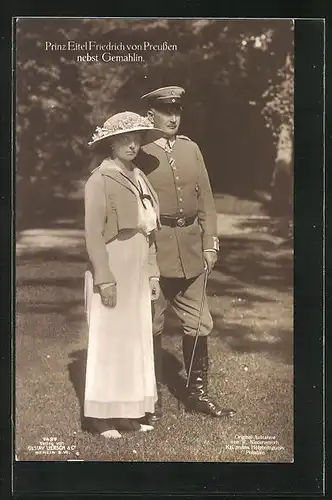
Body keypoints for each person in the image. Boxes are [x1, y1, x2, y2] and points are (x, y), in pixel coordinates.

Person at [135, 86, 236, 421]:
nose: (173, 117)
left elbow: (206, 199)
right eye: (166, 111)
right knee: (152, 325)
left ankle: (198, 394)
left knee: (199, 323)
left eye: (177, 110)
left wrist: (211, 243)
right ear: (151, 116)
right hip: (156, 252)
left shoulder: (191, 149)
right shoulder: (141, 152)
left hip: (192, 252)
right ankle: (150, 399)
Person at [84, 111, 164, 438]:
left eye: (136, 139)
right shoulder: (100, 179)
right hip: (115, 262)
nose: (133, 145)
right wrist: (104, 278)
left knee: (134, 339)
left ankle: (129, 411)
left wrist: (153, 274)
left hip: (138, 262)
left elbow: (150, 233)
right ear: (111, 144)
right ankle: (101, 416)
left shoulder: (139, 176)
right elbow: (92, 234)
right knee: (110, 339)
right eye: (125, 139)